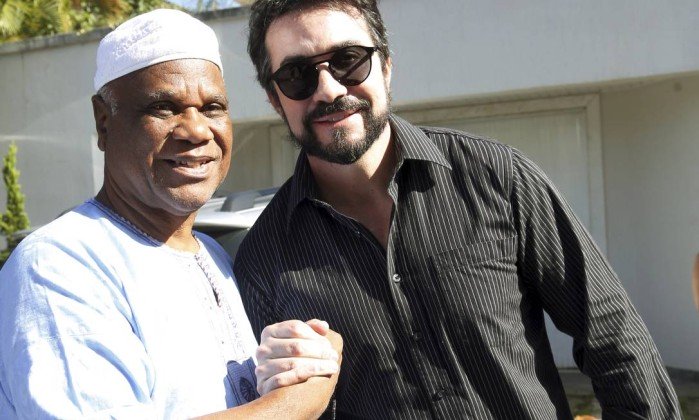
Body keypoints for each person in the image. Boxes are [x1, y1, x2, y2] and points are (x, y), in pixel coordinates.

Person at [234, 0, 682, 418]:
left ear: (386, 66)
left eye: (349, 60)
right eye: (297, 75)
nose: (329, 89)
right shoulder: (261, 260)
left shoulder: (498, 177)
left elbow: (613, 337)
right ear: (275, 98)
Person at [0, 9, 341, 419]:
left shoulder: (212, 254)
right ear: (104, 123)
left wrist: (299, 361)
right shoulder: (60, 264)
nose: (196, 130)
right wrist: (302, 399)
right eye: (163, 108)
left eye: (212, 107)